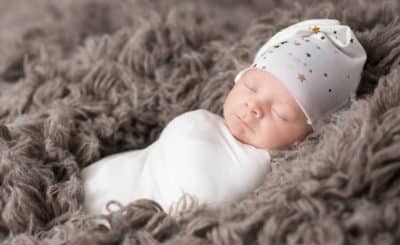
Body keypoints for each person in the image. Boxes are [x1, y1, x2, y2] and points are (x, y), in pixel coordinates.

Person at [81, 18, 367, 216]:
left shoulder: (267, 172)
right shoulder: (204, 121)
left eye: (279, 112)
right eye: (251, 87)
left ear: (310, 131)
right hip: (110, 179)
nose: (254, 106)